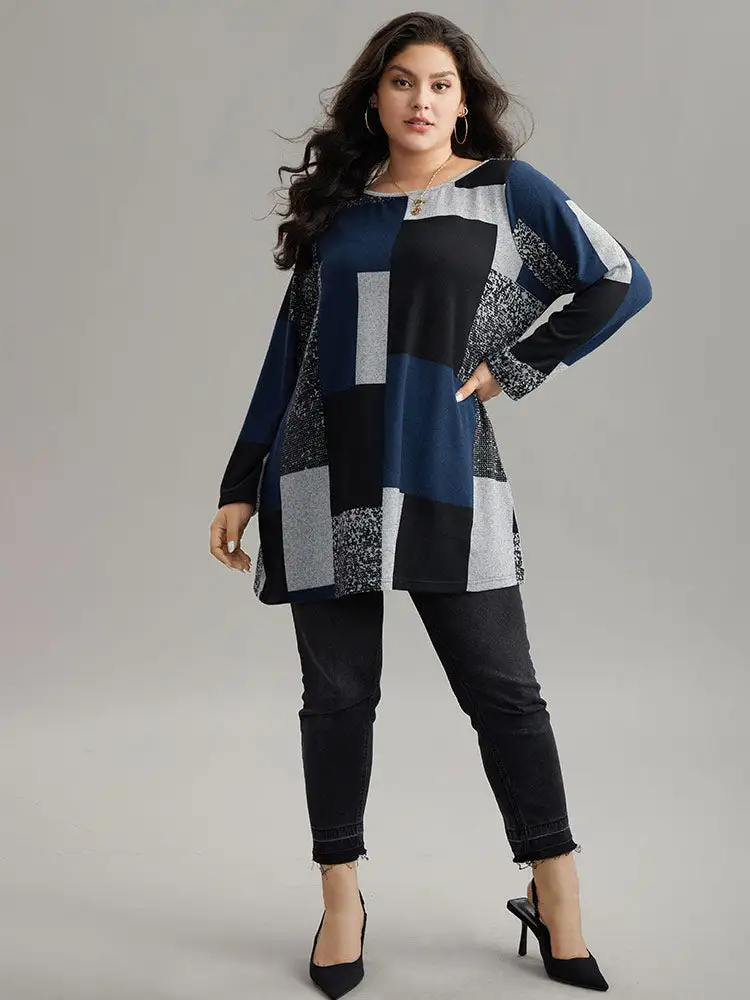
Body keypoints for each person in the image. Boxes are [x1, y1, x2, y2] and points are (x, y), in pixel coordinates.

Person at [209, 12, 652, 997]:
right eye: (402, 81)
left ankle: (557, 894)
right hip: (320, 471)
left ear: (463, 101)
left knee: (505, 694)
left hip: (445, 468)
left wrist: (516, 366)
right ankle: (341, 901)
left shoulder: (503, 190)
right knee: (337, 698)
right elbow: (291, 352)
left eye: (440, 84)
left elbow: (617, 279)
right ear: (375, 99)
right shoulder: (339, 212)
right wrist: (240, 482)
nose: (421, 99)